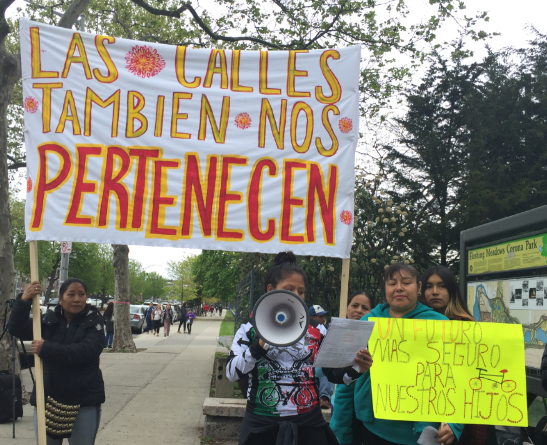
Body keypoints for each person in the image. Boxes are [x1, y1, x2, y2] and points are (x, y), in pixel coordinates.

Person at [226, 252, 372, 445]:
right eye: (289, 289)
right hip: (262, 424)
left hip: (309, 424)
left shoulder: (317, 330)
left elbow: (333, 374)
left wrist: (357, 369)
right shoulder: (250, 328)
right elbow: (231, 373)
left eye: (301, 291)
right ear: (270, 289)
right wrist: (259, 345)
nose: (296, 296)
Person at [330, 263, 463, 445]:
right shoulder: (366, 322)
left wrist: (455, 423)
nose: (399, 288)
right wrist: (340, 432)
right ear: (385, 288)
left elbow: (459, 378)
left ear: (419, 288)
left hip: (421, 435)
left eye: (406, 282)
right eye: (392, 283)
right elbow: (347, 384)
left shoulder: (441, 324)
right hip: (371, 429)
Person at [9, 278, 105, 444]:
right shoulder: (46, 321)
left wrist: (46, 348)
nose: (77, 299)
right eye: (71, 294)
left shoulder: (94, 322)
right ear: (60, 299)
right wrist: (24, 300)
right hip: (48, 398)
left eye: (81, 294)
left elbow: (85, 352)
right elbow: (16, 328)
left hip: (84, 399)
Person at [420, 265, 489, 445]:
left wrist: (455, 422)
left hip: (461, 421)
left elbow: (472, 380)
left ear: (451, 290)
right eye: (429, 286)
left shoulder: (466, 326)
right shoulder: (413, 326)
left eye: (441, 286)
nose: (435, 291)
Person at [309, 304, 334, 410]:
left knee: (327, 364)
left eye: (324, 316)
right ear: (311, 318)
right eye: (320, 317)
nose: (323, 319)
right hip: (307, 362)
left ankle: (324, 398)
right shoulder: (304, 330)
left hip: (320, 363)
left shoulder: (327, 329)